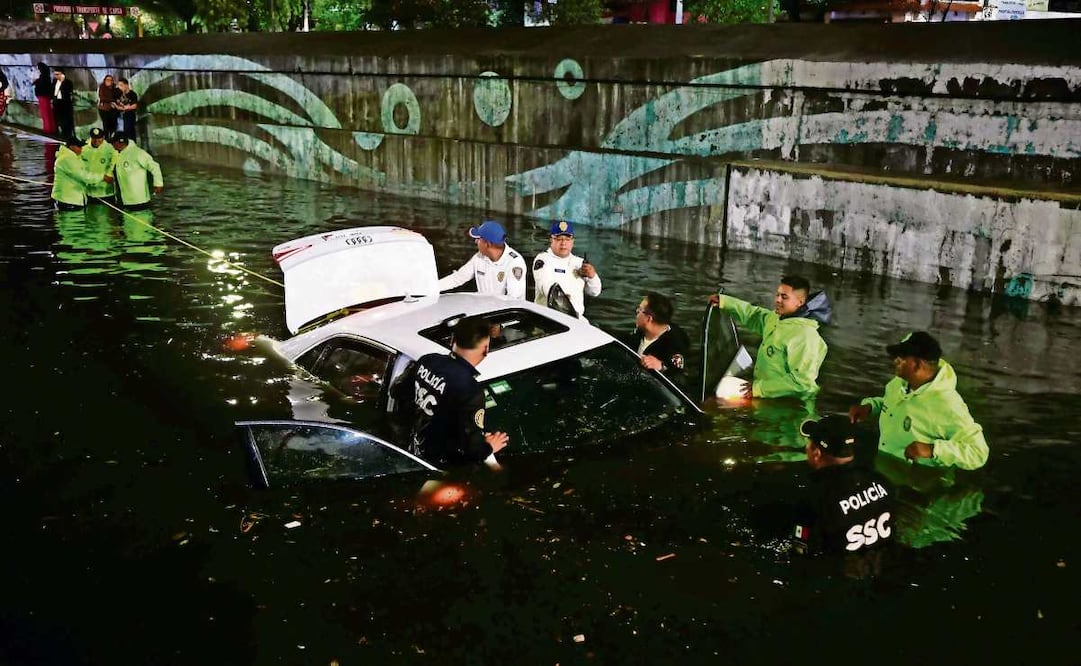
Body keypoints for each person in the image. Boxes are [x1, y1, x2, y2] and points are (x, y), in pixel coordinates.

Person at [849, 331, 988, 470]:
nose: (895, 360)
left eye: (902, 357)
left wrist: (932, 450)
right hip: (885, 468)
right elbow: (891, 404)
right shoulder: (899, 383)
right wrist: (871, 407)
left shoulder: (947, 404)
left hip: (918, 482)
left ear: (918, 365)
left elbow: (978, 453)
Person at [395, 316, 509, 468]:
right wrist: (490, 447)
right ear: (486, 350)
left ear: (452, 340)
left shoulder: (427, 361)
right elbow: (473, 451)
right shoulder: (470, 390)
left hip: (412, 451)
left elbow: (396, 391)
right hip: (440, 466)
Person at [708, 275, 829, 399]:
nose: (777, 300)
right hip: (766, 393)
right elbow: (753, 315)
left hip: (789, 404)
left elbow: (801, 383)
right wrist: (726, 302)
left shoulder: (806, 337)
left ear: (800, 302)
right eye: (778, 294)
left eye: (784, 297)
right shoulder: (777, 319)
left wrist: (758, 389)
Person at [790, 415, 895, 557]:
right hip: (881, 560)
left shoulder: (814, 499)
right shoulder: (882, 482)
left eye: (809, 444)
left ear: (816, 453)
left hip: (837, 568)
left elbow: (801, 551)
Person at [436, 220, 527, 299]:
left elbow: (513, 299)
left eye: (478, 239)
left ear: (487, 244)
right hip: (485, 311)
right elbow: (458, 278)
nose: (475, 241)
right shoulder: (479, 257)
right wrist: (428, 288)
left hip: (506, 316)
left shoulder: (515, 263)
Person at [532, 220, 601, 318]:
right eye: (559, 239)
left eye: (567, 239)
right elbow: (545, 286)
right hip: (548, 318)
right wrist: (562, 300)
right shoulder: (543, 260)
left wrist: (592, 276)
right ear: (551, 240)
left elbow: (595, 292)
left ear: (572, 242)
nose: (563, 243)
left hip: (576, 319)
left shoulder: (579, 262)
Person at [625, 291, 690, 386]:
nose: (637, 312)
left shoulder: (675, 343)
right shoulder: (639, 332)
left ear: (648, 319)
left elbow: (680, 377)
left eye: (640, 310)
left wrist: (662, 366)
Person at [51, 136, 111, 211]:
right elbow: (84, 176)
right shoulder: (67, 159)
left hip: (71, 200)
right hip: (68, 201)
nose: (81, 149)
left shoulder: (73, 157)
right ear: (71, 146)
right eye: (79, 146)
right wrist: (103, 177)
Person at [110, 133, 164, 210]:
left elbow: (154, 166)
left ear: (118, 143)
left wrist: (158, 184)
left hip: (139, 201)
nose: (112, 146)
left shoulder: (137, 153)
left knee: (141, 219)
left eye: (113, 143)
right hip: (124, 200)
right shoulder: (119, 154)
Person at [81, 128, 116, 204]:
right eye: (94, 138)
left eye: (99, 138)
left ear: (103, 137)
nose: (96, 141)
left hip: (106, 193)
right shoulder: (84, 149)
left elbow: (114, 163)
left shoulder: (110, 149)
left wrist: (109, 175)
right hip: (89, 193)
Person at [33, 62, 57, 135]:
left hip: (43, 97)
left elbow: (40, 87)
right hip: (46, 97)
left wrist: (36, 83)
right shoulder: (46, 77)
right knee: (48, 114)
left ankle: (48, 130)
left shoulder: (42, 78)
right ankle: (51, 129)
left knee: (45, 115)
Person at [52, 68, 75, 140]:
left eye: (57, 74)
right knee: (58, 119)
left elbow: (68, 91)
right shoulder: (54, 81)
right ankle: (60, 133)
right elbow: (53, 91)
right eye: (55, 74)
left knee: (66, 121)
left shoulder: (68, 82)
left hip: (65, 103)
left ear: (62, 75)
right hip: (57, 102)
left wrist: (62, 82)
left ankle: (67, 135)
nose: (56, 76)